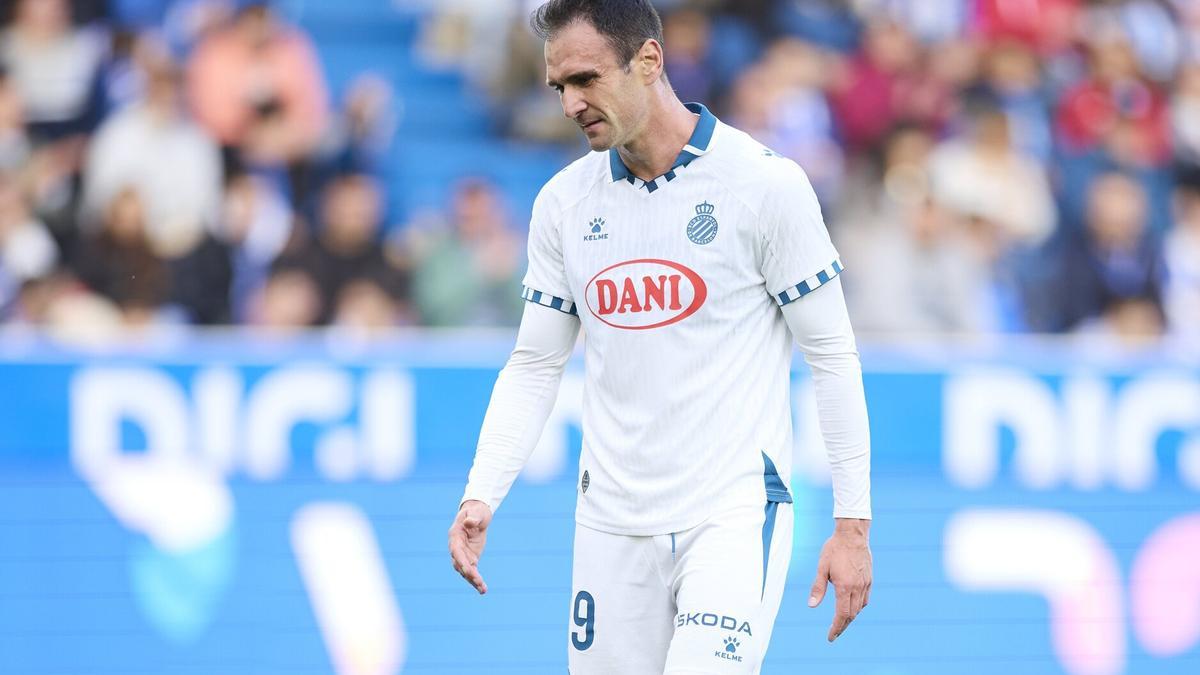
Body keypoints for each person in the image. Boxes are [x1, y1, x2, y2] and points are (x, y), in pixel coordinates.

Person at [447, 1, 873, 673]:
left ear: (649, 60)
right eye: (560, 86)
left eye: (586, 79)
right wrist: (482, 490)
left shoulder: (764, 185)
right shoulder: (563, 203)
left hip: (730, 514)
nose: (569, 104)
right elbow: (534, 363)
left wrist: (853, 524)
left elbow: (833, 358)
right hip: (610, 524)